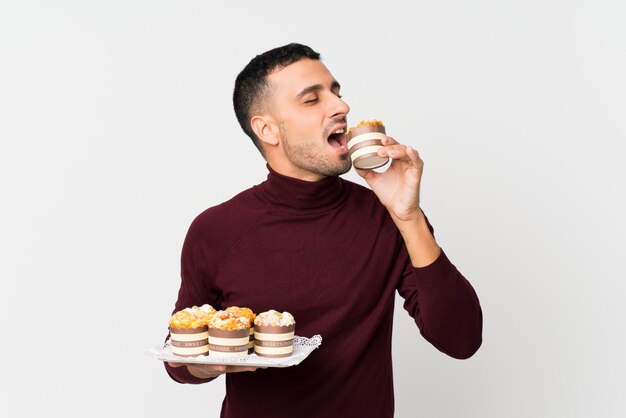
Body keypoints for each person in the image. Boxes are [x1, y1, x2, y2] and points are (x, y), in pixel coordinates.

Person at [165, 43, 482, 417]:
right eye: (312, 100)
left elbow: (461, 339)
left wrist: (409, 216)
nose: (341, 107)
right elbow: (179, 359)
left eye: (336, 92)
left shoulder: (386, 216)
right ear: (267, 129)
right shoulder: (215, 230)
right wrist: (210, 364)